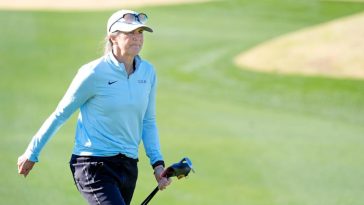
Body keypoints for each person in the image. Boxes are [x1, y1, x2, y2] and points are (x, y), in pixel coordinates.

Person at [17, 9, 171, 205]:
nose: (137, 38)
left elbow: (148, 121)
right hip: (93, 165)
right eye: (129, 33)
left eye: (140, 33)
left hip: (129, 166)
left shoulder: (147, 73)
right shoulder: (93, 73)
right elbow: (61, 114)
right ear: (113, 37)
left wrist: (158, 165)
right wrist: (32, 153)